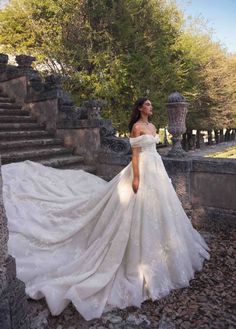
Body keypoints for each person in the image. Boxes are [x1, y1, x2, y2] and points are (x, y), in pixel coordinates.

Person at [1, 98, 210, 321]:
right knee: (136, 210)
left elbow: (154, 152)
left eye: (151, 105)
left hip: (156, 169)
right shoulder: (137, 127)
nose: (151, 107)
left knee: (162, 212)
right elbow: (136, 156)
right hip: (143, 171)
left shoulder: (152, 126)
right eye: (147, 105)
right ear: (139, 108)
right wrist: (136, 179)